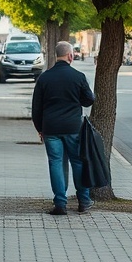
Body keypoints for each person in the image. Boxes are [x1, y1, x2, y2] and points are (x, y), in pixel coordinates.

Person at [31, 40, 95, 215]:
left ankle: (60, 203)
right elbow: (89, 100)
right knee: (77, 162)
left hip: (51, 127)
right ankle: (84, 200)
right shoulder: (78, 76)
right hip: (73, 127)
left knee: (55, 163)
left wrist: (40, 128)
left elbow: (36, 107)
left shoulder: (44, 78)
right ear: (70, 56)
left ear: (56, 56)